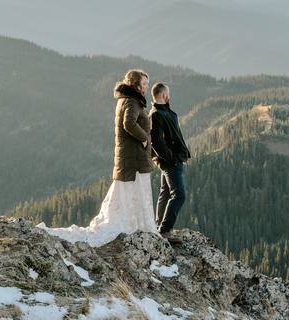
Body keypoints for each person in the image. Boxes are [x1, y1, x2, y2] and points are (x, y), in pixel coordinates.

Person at [37, 69, 158, 246]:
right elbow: (128, 123)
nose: (146, 87)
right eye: (144, 83)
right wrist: (145, 139)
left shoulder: (129, 99)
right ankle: (134, 224)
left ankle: (134, 223)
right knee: (132, 191)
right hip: (132, 159)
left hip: (132, 157)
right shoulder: (132, 101)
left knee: (128, 193)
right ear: (136, 84)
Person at [149, 82, 191, 241]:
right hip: (170, 161)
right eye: (168, 93)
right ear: (164, 95)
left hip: (172, 159)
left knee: (165, 193)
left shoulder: (165, 112)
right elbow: (157, 142)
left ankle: (159, 225)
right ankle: (165, 230)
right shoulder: (156, 114)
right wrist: (172, 158)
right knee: (179, 195)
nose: (169, 96)